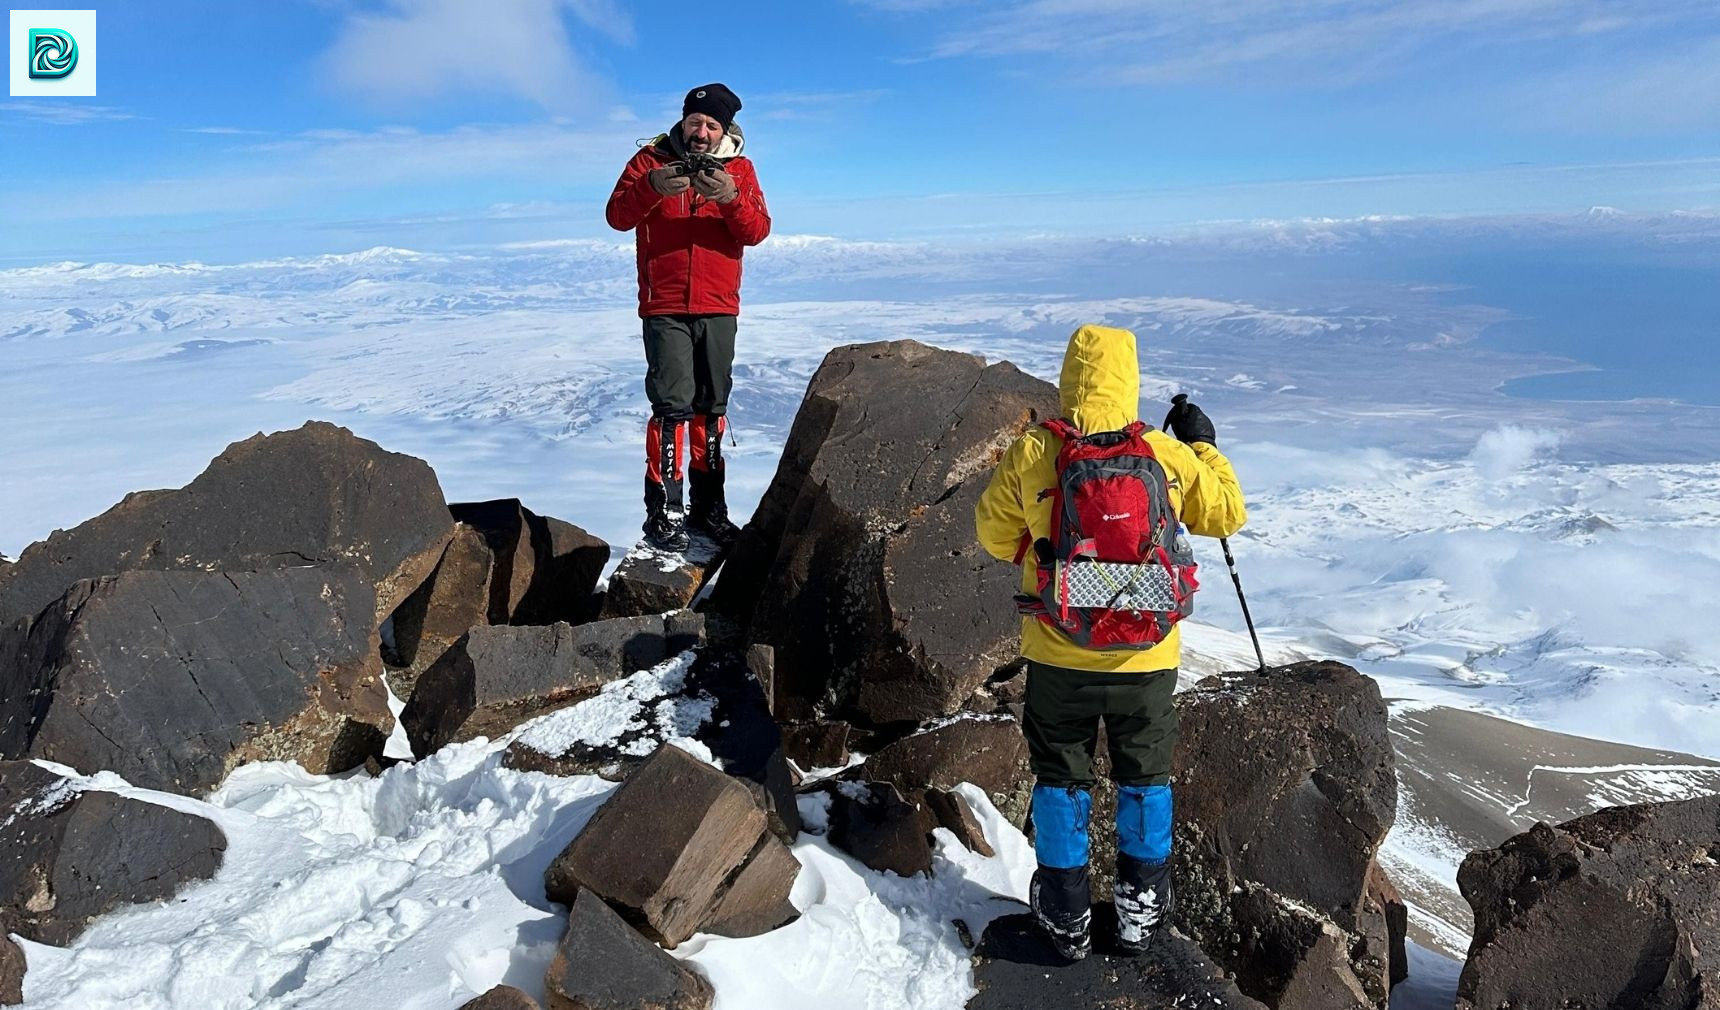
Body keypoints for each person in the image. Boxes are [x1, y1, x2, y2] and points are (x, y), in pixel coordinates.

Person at [974, 324, 1247, 960]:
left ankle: (1067, 914)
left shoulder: (1035, 452)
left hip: (1057, 650)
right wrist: (1203, 446)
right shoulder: (1161, 453)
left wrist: (1039, 552)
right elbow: (1228, 511)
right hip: (1146, 657)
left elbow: (992, 533)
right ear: (1131, 378)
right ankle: (1139, 910)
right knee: (1145, 777)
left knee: (1060, 776)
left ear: (1070, 376)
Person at [606, 83, 771, 552]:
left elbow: (756, 230)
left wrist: (730, 196)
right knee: (671, 406)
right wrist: (652, 187)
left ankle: (708, 510)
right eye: (695, 122)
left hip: (718, 305)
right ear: (683, 121)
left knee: (711, 406)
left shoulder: (740, 169)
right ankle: (665, 512)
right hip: (665, 305)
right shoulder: (650, 162)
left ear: (725, 130)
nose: (701, 131)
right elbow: (618, 215)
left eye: (711, 125)